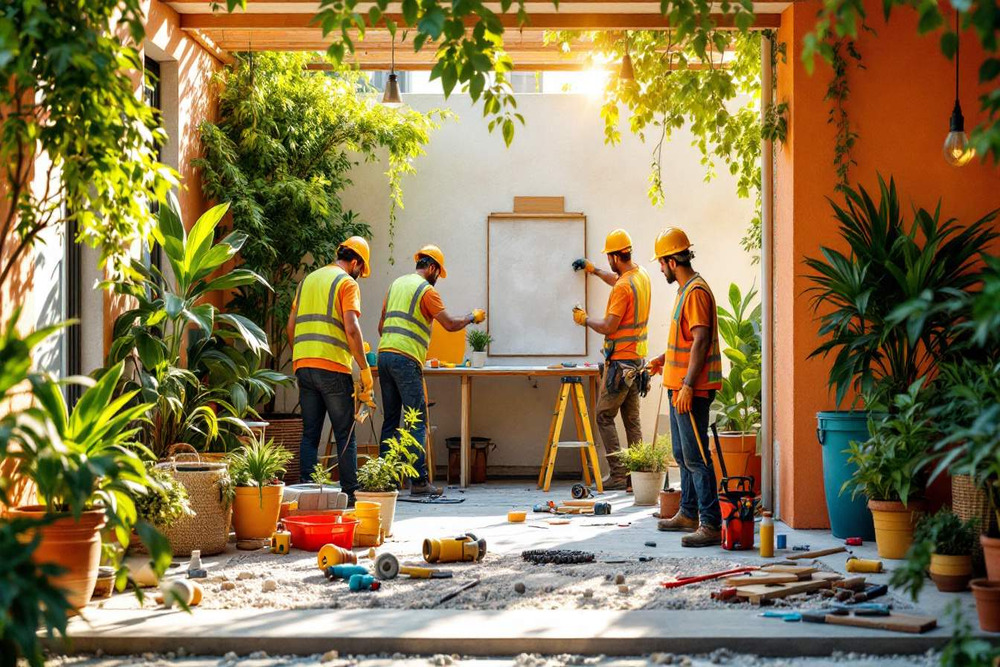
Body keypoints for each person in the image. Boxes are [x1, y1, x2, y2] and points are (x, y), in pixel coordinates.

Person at [377, 244, 486, 496]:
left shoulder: (396, 285)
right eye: (438, 273)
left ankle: (385, 481)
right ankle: (418, 482)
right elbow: (449, 324)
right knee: (416, 419)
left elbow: (382, 325)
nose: (438, 279)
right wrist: (472, 317)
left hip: (384, 356)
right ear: (433, 268)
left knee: (391, 420)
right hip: (405, 360)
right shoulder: (426, 291)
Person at [647, 227, 724, 547]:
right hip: (679, 386)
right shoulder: (685, 290)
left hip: (690, 389)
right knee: (682, 453)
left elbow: (702, 340)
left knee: (696, 457)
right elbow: (689, 339)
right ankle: (688, 512)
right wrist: (665, 360)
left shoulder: (695, 292)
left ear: (671, 260)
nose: (660, 268)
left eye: (661, 263)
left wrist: (689, 384)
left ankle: (710, 523)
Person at [287, 236, 377, 507]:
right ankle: (350, 494)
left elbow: (290, 327)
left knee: (310, 434)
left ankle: (304, 492)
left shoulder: (307, 282)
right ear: (356, 262)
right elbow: (351, 328)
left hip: (303, 365)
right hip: (333, 368)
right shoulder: (346, 283)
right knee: (345, 432)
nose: (360, 274)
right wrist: (364, 368)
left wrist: (303, 355)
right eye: (361, 268)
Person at [571, 229, 651, 490]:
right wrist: (593, 270)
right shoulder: (640, 276)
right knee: (632, 421)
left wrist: (584, 320)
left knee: (604, 415)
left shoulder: (623, 287)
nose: (608, 263)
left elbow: (608, 325)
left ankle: (618, 475)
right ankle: (637, 476)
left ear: (616, 257)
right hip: (637, 362)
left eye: (608, 258)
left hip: (620, 364)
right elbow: (617, 281)